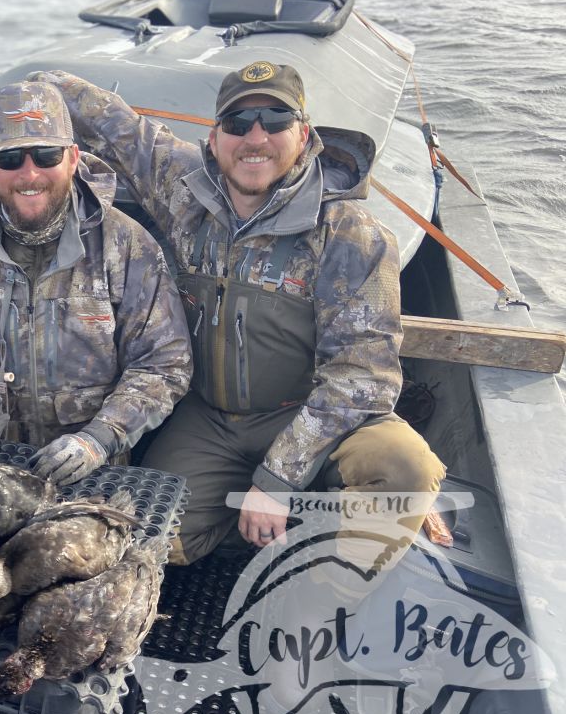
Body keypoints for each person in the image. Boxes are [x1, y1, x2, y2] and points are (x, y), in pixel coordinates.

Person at [30, 62, 446, 562]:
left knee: (404, 471)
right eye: (238, 123)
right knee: (141, 541)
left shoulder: (351, 234)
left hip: (310, 414)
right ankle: (257, 525)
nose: (256, 137)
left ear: (305, 134)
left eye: (275, 120)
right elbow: (123, 129)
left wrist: (276, 479)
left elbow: (362, 380)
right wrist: (45, 85)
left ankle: (323, 590)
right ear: (213, 138)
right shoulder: (182, 186)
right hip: (209, 419)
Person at [0, 82, 191, 487]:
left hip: (94, 472)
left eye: (46, 154)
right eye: (9, 158)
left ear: (73, 158)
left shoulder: (126, 245)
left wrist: (99, 439)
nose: (29, 173)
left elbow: (164, 364)